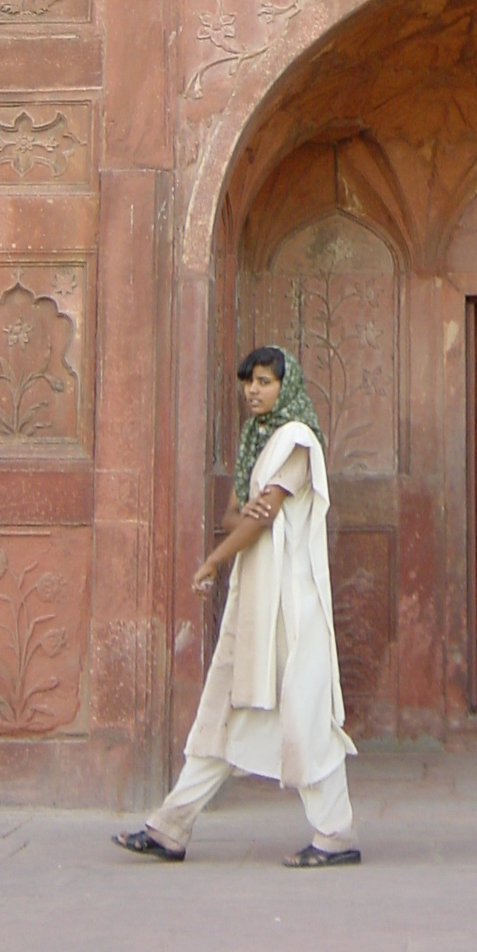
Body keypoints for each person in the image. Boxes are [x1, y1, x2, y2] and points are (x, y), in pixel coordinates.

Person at [114, 346, 359, 867]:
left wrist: (213, 560)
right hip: (254, 599)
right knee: (223, 708)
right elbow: (237, 513)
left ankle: (335, 836)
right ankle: (171, 826)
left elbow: (263, 517)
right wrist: (236, 529)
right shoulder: (256, 441)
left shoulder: (296, 440)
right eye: (249, 382)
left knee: (306, 713)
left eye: (266, 382)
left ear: (284, 387)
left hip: (291, 603)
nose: (255, 391)